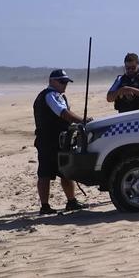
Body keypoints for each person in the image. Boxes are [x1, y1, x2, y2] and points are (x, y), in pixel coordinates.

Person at [33, 69, 90, 215]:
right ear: (52, 81)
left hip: (55, 140)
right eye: (62, 81)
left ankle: (70, 202)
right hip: (50, 141)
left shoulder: (55, 96)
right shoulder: (50, 96)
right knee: (47, 173)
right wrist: (83, 121)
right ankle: (45, 206)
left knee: (65, 172)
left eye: (66, 82)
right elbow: (63, 113)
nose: (65, 85)